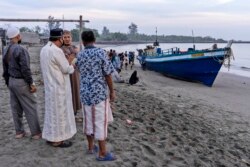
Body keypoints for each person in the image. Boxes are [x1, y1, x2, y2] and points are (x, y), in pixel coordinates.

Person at [76, 30, 116, 161]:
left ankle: (91, 147)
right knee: (100, 122)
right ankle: (103, 153)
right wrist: (112, 91)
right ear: (94, 39)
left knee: (88, 121)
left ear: (83, 41)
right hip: (98, 93)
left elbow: (77, 69)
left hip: (85, 93)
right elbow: (108, 74)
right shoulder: (100, 53)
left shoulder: (80, 55)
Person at [2, 27, 41, 139]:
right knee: (30, 106)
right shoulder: (21, 49)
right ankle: (36, 133)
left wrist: (7, 81)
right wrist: (31, 83)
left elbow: (4, 68)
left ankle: (19, 132)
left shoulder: (5, 49)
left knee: (15, 108)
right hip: (21, 81)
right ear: (18, 36)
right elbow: (25, 69)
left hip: (11, 81)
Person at [40, 28, 76, 148]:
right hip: (58, 87)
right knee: (60, 114)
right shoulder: (57, 51)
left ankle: (51, 137)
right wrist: (70, 62)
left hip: (49, 86)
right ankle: (58, 140)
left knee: (51, 113)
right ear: (60, 38)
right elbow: (67, 69)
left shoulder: (44, 49)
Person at [61, 30, 82, 122]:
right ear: (62, 38)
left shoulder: (75, 48)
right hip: (65, 74)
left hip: (75, 74)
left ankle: (74, 113)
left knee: (75, 92)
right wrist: (71, 60)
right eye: (65, 37)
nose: (67, 39)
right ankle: (67, 114)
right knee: (66, 93)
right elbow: (64, 63)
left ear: (71, 38)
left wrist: (72, 59)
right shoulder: (60, 49)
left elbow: (80, 62)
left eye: (68, 37)